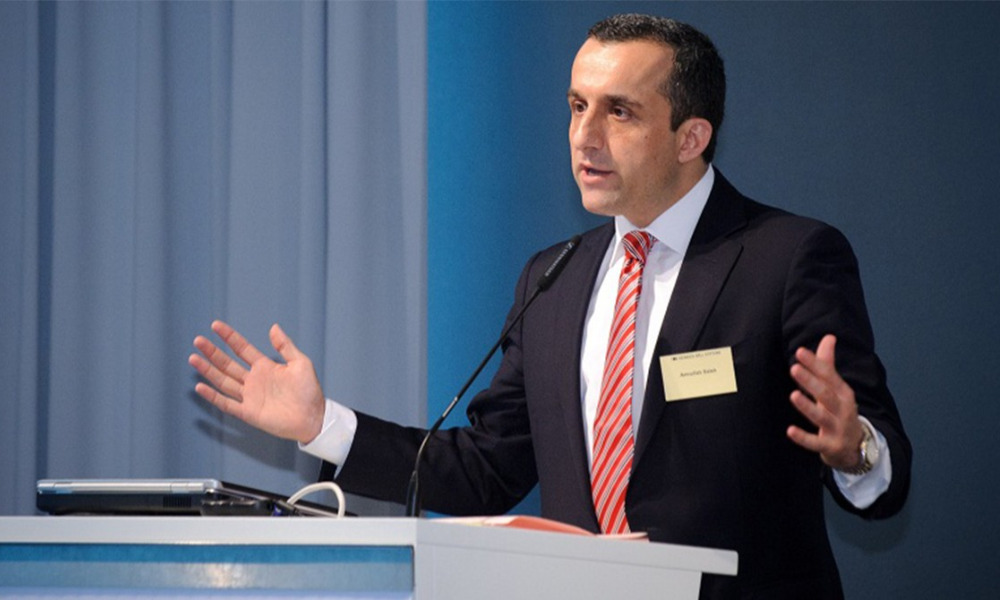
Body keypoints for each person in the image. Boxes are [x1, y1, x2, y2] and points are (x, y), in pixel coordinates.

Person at [189, 14, 910, 599]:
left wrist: (856, 450)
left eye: (619, 112)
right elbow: (487, 469)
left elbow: (884, 468)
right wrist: (322, 425)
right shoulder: (555, 278)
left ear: (691, 137)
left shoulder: (786, 257)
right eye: (576, 106)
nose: (584, 137)